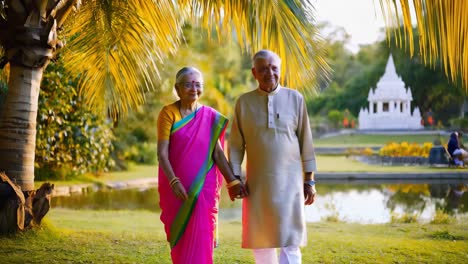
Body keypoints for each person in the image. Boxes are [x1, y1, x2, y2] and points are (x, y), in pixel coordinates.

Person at [229, 50, 317, 264]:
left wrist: (310, 180)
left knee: (291, 240)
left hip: (291, 184)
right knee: (261, 240)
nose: (270, 73)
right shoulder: (244, 103)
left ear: (280, 69)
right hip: (257, 185)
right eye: (263, 69)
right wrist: (234, 180)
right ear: (254, 73)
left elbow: (306, 142)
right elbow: (235, 147)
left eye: (274, 68)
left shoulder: (295, 98)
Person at [157, 67, 247, 264]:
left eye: (198, 84)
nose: (193, 89)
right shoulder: (168, 113)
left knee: (203, 237)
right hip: (177, 192)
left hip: (203, 194)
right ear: (177, 88)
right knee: (180, 239)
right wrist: (173, 181)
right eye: (188, 84)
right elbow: (162, 153)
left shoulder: (210, 116)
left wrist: (232, 181)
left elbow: (217, 153)